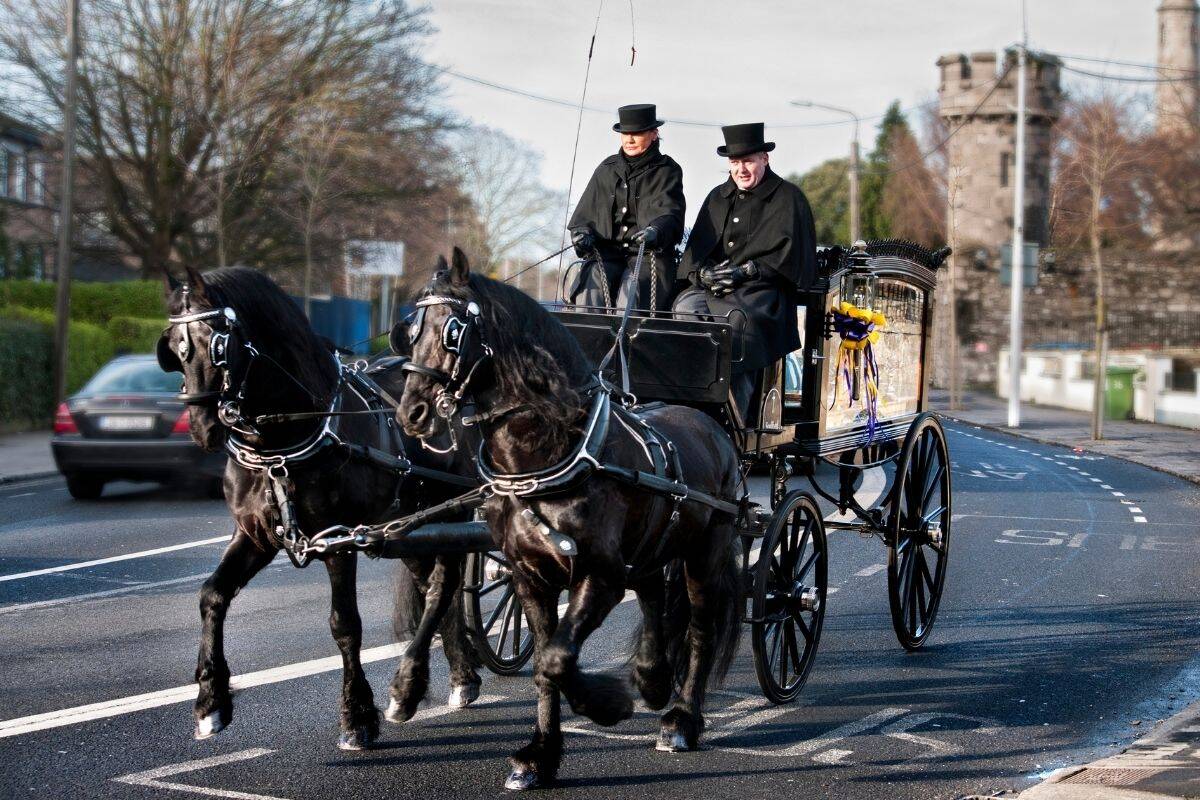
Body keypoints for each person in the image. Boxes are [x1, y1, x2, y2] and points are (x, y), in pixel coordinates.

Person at [672, 122, 817, 418]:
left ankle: (734, 421)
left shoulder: (788, 198)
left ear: (765, 158)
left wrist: (747, 272)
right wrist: (703, 275)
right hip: (714, 290)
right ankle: (693, 406)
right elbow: (695, 255)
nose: (741, 169)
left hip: (763, 295)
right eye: (735, 162)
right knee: (683, 307)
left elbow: (792, 260)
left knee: (736, 324)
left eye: (748, 160)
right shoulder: (717, 196)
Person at [568, 104, 685, 311]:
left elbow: (670, 214)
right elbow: (584, 216)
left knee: (631, 294)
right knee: (589, 290)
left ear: (654, 134)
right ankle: (588, 341)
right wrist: (581, 234)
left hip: (648, 257)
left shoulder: (668, 170)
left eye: (637, 134)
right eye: (625, 134)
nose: (629, 140)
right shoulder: (606, 170)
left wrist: (654, 231)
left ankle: (625, 343)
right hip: (606, 256)